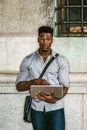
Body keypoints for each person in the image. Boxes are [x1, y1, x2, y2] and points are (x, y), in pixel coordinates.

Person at [16, 26, 70, 130]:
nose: (45, 42)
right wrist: (35, 81)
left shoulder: (61, 60)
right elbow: (19, 86)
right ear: (38, 40)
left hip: (56, 108)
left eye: (48, 39)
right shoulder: (28, 60)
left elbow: (65, 86)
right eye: (42, 38)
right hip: (37, 109)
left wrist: (55, 98)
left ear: (52, 40)